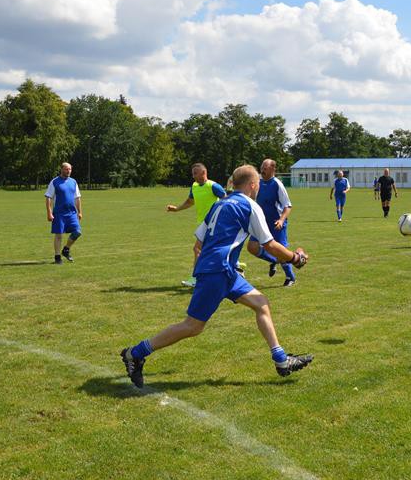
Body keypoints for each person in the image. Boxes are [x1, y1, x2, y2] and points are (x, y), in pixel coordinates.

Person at [120, 165, 312, 387]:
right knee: (193, 326)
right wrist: (295, 259)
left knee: (261, 303)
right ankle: (135, 353)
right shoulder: (250, 205)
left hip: (224, 270)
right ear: (252, 185)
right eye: (257, 184)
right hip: (219, 271)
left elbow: (198, 242)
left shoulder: (219, 204)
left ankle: (281, 360)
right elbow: (269, 245)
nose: (258, 187)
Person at [167, 163, 227, 287]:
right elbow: (190, 202)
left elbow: (226, 201)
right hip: (203, 224)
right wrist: (176, 209)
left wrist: (221, 217)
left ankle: (196, 278)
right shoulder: (194, 186)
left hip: (213, 224)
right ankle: (234, 267)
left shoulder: (213, 186)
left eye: (195, 173)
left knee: (198, 249)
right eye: (193, 173)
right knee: (211, 251)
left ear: (203, 173)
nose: (193, 176)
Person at [250, 159, 297, 287]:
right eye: (262, 167)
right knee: (252, 247)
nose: (262, 169)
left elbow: (288, 206)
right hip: (260, 221)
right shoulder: (257, 182)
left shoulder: (277, 184)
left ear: (272, 169)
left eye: (265, 167)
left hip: (276, 223)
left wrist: (281, 220)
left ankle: (290, 277)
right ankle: (273, 260)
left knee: (281, 251)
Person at [45, 162, 83, 264]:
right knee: (59, 235)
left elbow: (77, 198)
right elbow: (48, 197)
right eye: (66, 169)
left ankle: (66, 250)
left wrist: (80, 212)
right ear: (61, 169)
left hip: (71, 213)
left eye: (70, 169)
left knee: (77, 232)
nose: (68, 171)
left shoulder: (73, 182)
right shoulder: (55, 182)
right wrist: (49, 212)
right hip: (59, 213)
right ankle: (57, 257)